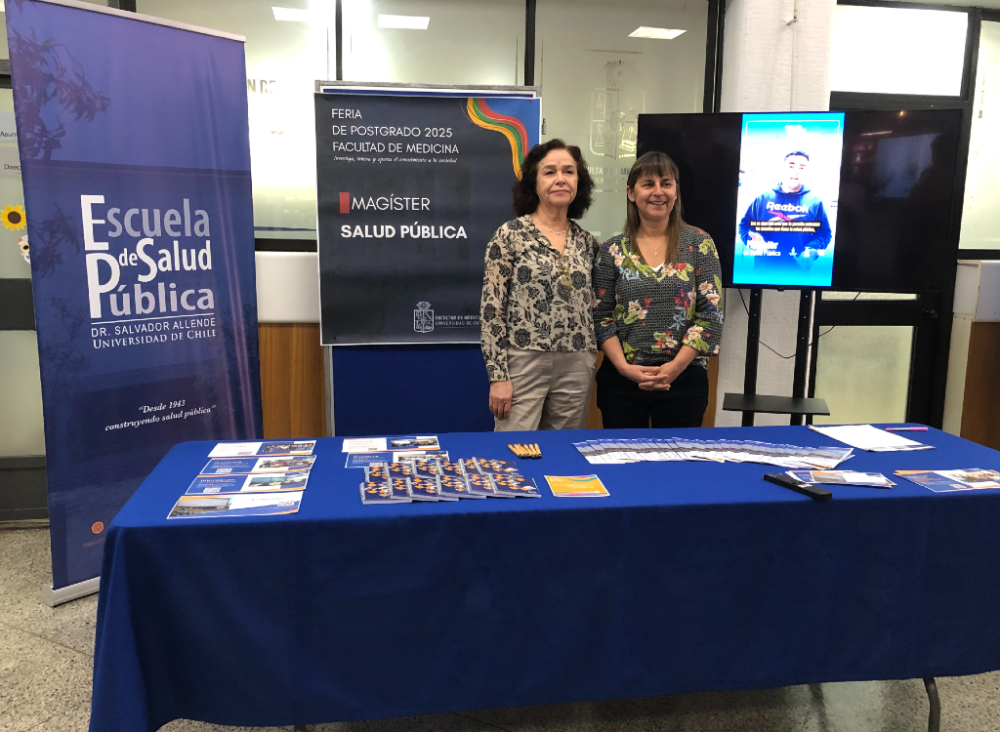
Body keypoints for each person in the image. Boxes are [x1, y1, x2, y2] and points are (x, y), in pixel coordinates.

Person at [592, 151, 723, 429]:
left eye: (666, 183)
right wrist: (626, 369)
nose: (658, 192)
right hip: (622, 383)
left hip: (684, 381)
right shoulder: (612, 250)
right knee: (623, 467)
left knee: (678, 469)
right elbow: (601, 317)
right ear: (631, 192)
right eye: (648, 183)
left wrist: (672, 370)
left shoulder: (700, 244)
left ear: (676, 192)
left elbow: (710, 317)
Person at [480, 139, 599, 431]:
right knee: (513, 451)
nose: (560, 179)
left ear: (578, 182)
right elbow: (491, 308)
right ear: (534, 182)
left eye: (569, 172)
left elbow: (598, 306)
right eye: (550, 172)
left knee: (562, 454)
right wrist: (498, 376)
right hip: (523, 360)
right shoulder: (510, 235)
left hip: (577, 362)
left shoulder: (588, 243)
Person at [737, 150, 833, 279]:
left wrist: (811, 250)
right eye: (791, 166)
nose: (796, 171)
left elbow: (824, 233)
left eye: (802, 167)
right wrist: (752, 241)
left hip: (798, 272)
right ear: (783, 169)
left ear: (807, 172)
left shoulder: (815, 201)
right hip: (762, 271)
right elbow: (744, 226)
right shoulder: (763, 197)